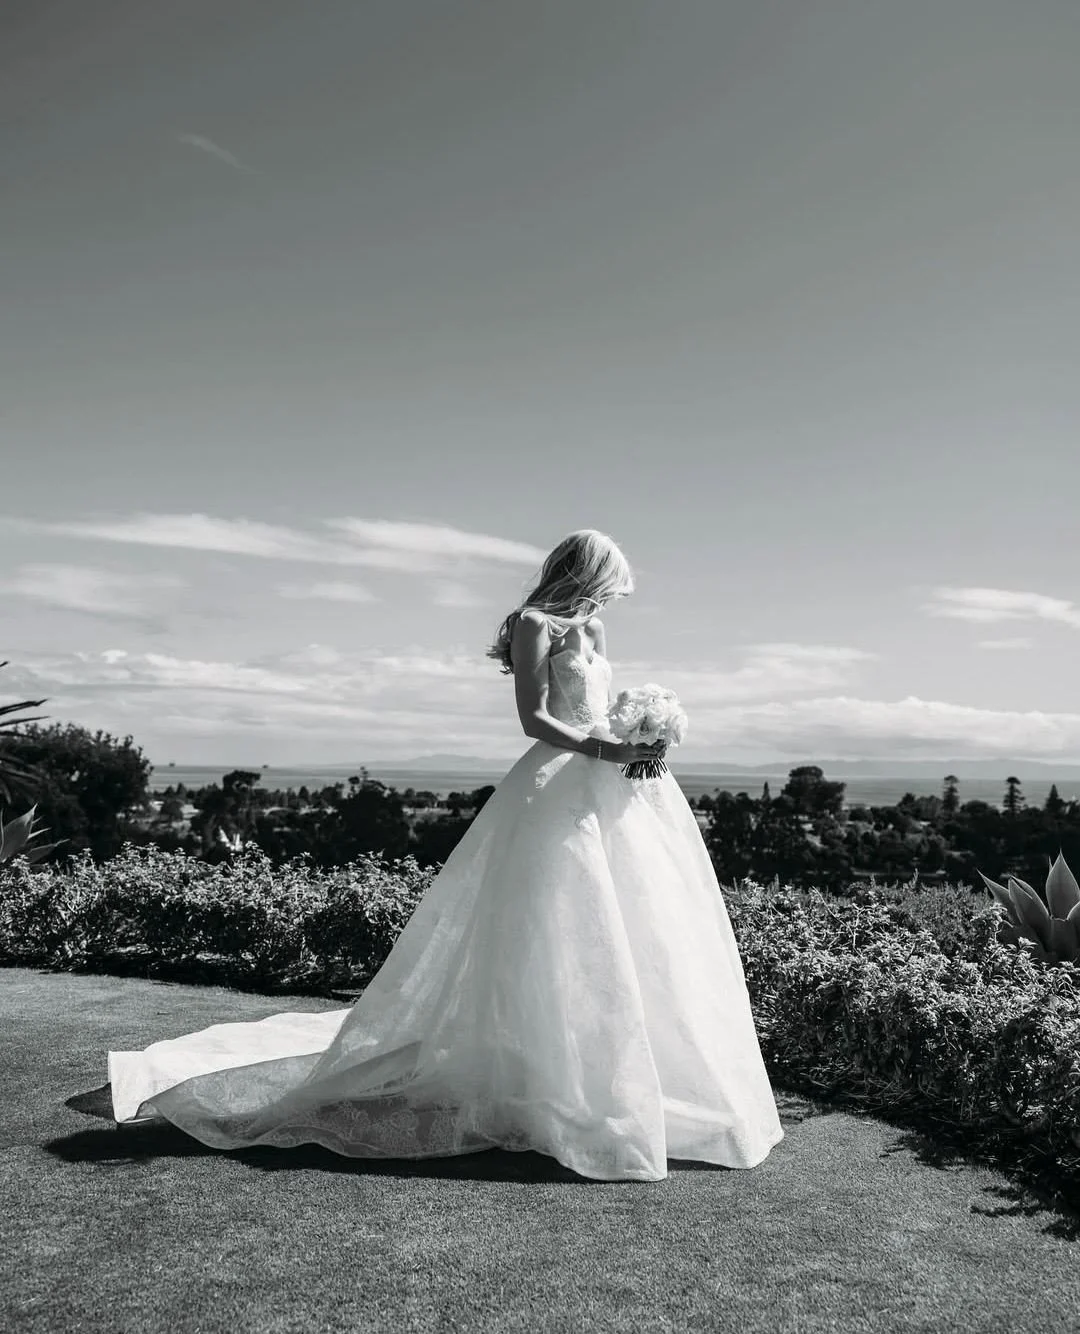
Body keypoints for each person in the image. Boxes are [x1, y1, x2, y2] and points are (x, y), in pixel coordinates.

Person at [108, 529, 783, 1181]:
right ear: (584, 569)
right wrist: (607, 748)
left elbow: (600, 703)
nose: (615, 594)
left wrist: (641, 736)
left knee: (632, 922)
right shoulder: (532, 623)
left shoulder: (596, 628)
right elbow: (535, 719)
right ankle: (535, 1077)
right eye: (610, 578)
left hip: (611, 784)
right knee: (547, 923)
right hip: (557, 779)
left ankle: (610, 1073)